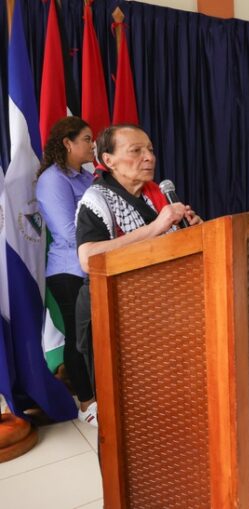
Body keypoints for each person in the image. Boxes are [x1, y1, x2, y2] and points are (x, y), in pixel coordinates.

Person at [75, 125, 202, 426]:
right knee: (125, 412)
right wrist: (156, 228)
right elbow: (88, 258)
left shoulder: (156, 194)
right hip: (112, 312)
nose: (149, 158)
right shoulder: (96, 200)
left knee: (162, 402)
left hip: (157, 310)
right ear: (109, 159)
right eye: (136, 151)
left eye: (150, 150)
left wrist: (195, 230)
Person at [35, 117, 98, 426]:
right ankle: (86, 404)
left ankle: (100, 393)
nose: (93, 144)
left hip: (95, 268)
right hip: (68, 272)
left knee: (96, 338)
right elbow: (69, 232)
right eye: (87, 139)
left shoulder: (87, 178)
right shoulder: (53, 179)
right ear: (68, 143)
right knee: (78, 339)